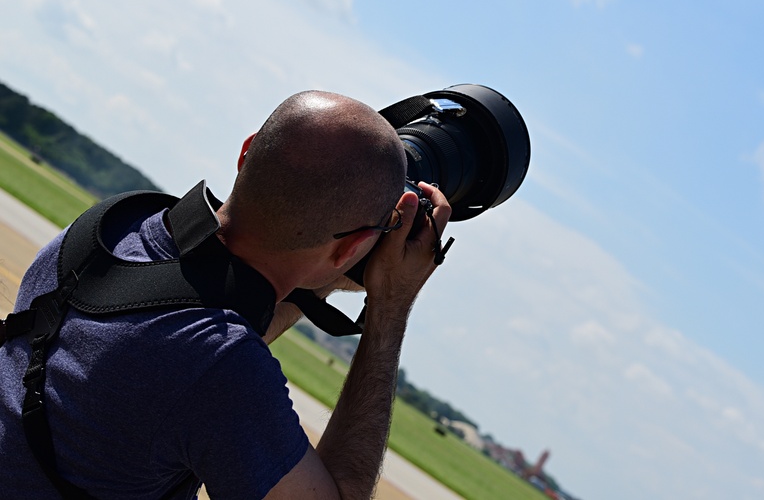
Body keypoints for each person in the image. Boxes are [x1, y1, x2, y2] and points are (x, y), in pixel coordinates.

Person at [0, 90, 451, 499]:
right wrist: (390, 308)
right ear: (353, 248)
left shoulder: (113, 228)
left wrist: (328, 272)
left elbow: (185, 346)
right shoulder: (221, 368)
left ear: (247, 151)